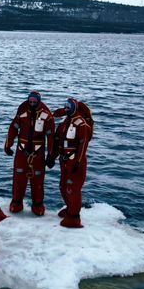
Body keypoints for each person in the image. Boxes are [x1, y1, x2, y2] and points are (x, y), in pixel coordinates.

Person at [4, 90, 55, 216]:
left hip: (38, 154)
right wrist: (8, 145)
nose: (32, 104)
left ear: (39, 101)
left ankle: (38, 204)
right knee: (18, 178)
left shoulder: (46, 116)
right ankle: (16, 202)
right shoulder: (22, 113)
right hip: (22, 152)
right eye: (30, 101)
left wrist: (51, 155)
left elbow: (51, 137)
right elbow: (13, 129)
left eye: (34, 102)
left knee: (37, 180)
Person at [52, 97, 93, 228]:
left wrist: (78, 162)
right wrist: (52, 157)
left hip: (75, 161)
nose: (66, 110)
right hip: (64, 161)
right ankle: (70, 209)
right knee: (63, 187)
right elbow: (57, 140)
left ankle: (74, 217)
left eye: (68, 107)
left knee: (73, 189)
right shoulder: (64, 124)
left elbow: (83, 145)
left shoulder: (82, 125)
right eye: (65, 107)